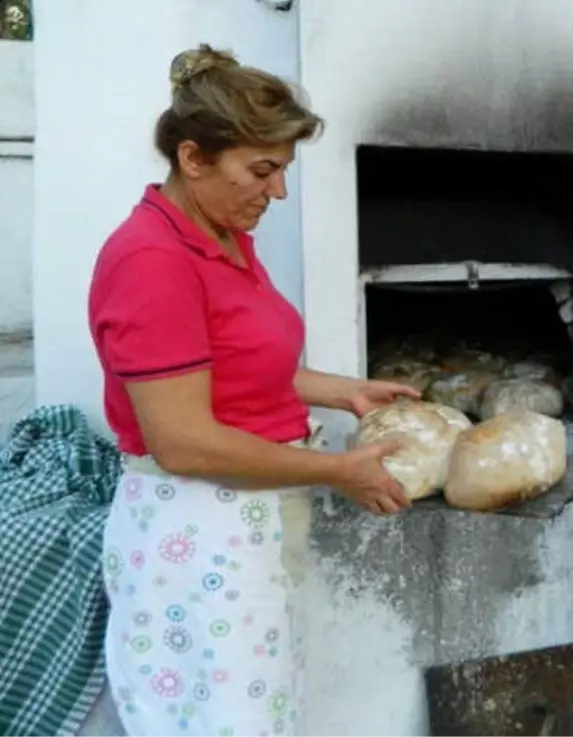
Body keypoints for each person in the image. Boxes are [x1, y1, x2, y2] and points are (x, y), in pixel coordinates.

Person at [87, 44, 417, 736]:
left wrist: (344, 392)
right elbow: (182, 441)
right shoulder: (152, 260)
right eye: (261, 171)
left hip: (248, 526)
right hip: (198, 530)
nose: (277, 193)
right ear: (192, 158)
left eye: (283, 172)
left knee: (256, 714)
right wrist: (337, 471)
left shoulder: (223, 234)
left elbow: (237, 362)